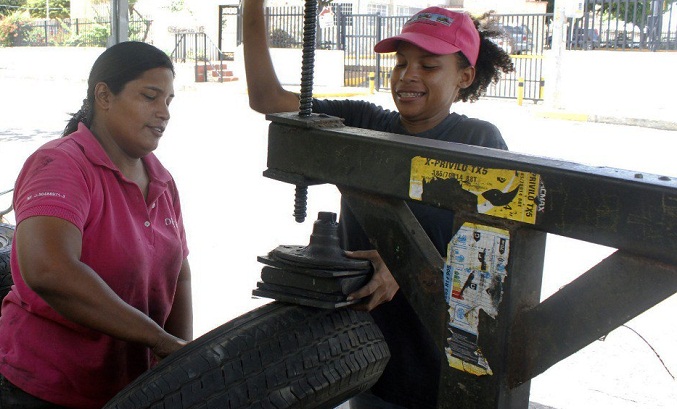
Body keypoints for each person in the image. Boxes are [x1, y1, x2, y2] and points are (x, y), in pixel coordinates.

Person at [243, 2, 513, 408]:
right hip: (365, 363)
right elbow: (267, 98)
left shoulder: (479, 142)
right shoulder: (364, 122)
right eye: (401, 62)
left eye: (428, 65)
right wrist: (252, 6)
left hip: (439, 369)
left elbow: (488, 266)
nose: (408, 75)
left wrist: (408, 267)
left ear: (465, 76)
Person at [0, 41, 192, 409]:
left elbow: (179, 272)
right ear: (103, 95)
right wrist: (157, 339)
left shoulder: (161, 179)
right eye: (150, 96)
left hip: (130, 390)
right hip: (46, 389)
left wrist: (184, 361)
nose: (163, 112)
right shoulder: (61, 164)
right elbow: (48, 270)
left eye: (169, 101)